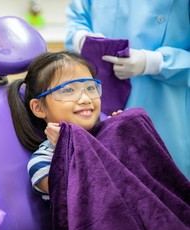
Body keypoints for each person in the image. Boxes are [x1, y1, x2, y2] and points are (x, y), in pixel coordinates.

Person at [64, 0, 190, 180]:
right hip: (101, 102)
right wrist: (82, 39)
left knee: (164, 189)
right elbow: (77, 17)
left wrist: (154, 62)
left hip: (166, 110)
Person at [7, 51, 121, 197]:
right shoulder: (43, 162)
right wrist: (68, 145)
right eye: (68, 90)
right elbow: (87, 194)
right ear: (39, 108)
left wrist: (122, 139)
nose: (86, 99)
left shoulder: (106, 139)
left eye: (91, 88)